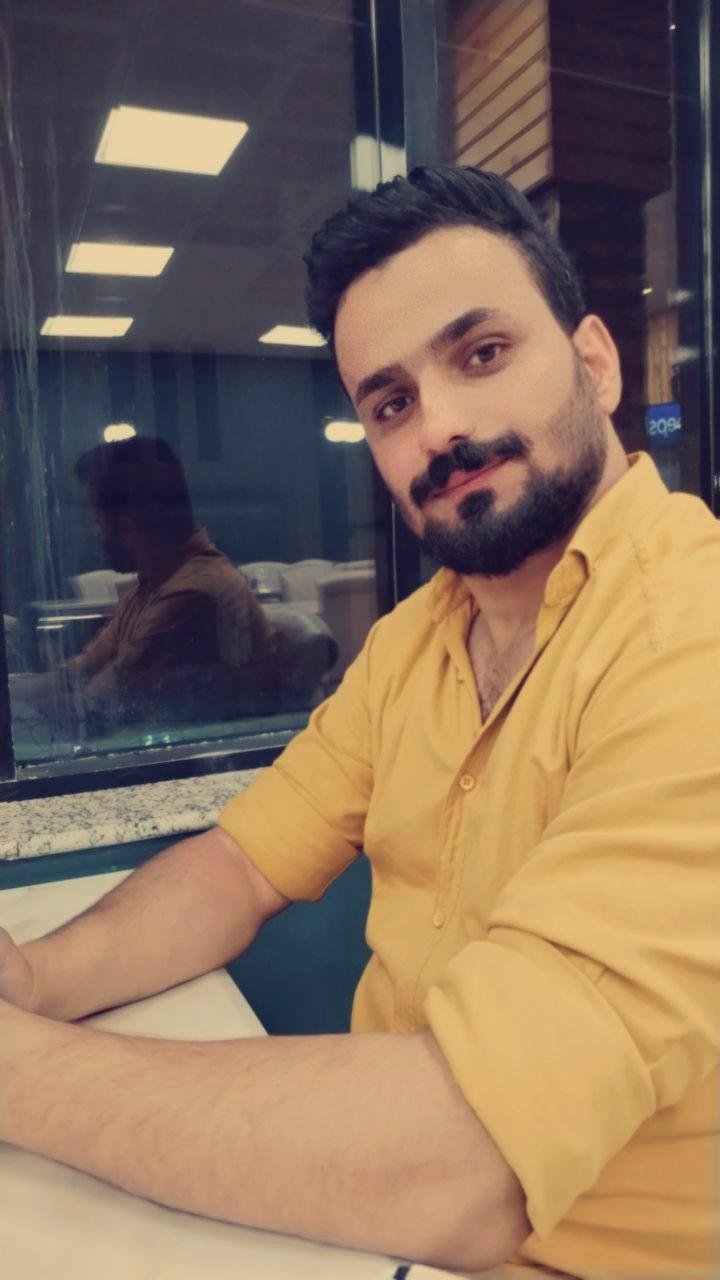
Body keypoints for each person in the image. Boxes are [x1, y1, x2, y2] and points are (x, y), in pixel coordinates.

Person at [1, 167, 718, 1278]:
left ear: (594, 362)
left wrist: (18, 1069)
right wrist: (33, 983)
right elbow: (242, 863)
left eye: (483, 353)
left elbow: (470, 1161)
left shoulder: (692, 632)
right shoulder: (416, 639)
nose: (442, 429)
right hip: (380, 1229)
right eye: (390, 404)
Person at [24, 436, 284, 726]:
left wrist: (22, 708)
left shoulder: (191, 595)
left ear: (126, 529)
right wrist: (17, 693)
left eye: (97, 524)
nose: (94, 535)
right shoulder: (152, 587)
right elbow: (81, 669)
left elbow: (97, 704)